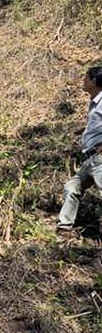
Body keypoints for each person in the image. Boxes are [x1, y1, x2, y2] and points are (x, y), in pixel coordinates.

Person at [57, 65, 102, 238]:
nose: (83, 80)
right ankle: (64, 227)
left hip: (99, 158)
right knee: (72, 187)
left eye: (86, 78)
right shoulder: (95, 102)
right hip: (90, 159)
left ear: (95, 81)